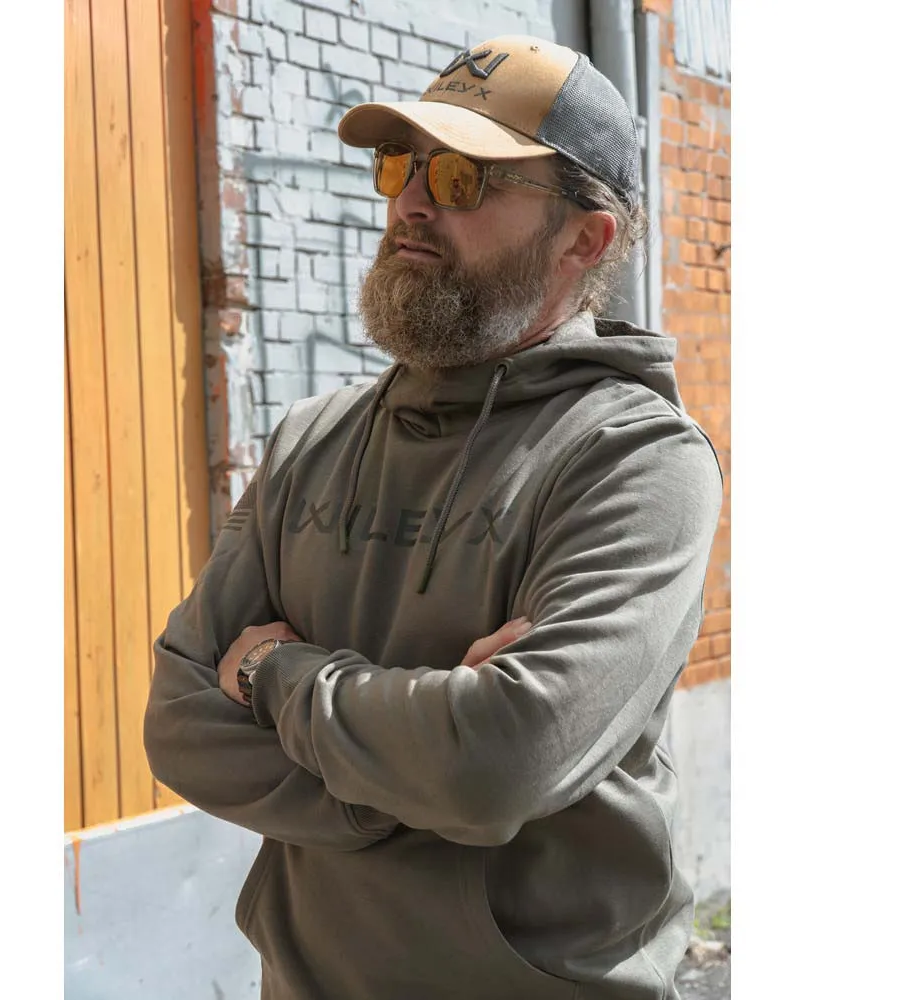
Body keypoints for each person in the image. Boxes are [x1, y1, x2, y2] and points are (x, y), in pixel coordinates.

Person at [144, 34, 723, 1000]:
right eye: (401, 165)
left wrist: (274, 676)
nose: (411, 202)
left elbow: (502, 760)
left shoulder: (634, 458)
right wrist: (419, 772)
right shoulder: (311, 438)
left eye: (463, 178)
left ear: (584, 240)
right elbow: (178, 722)